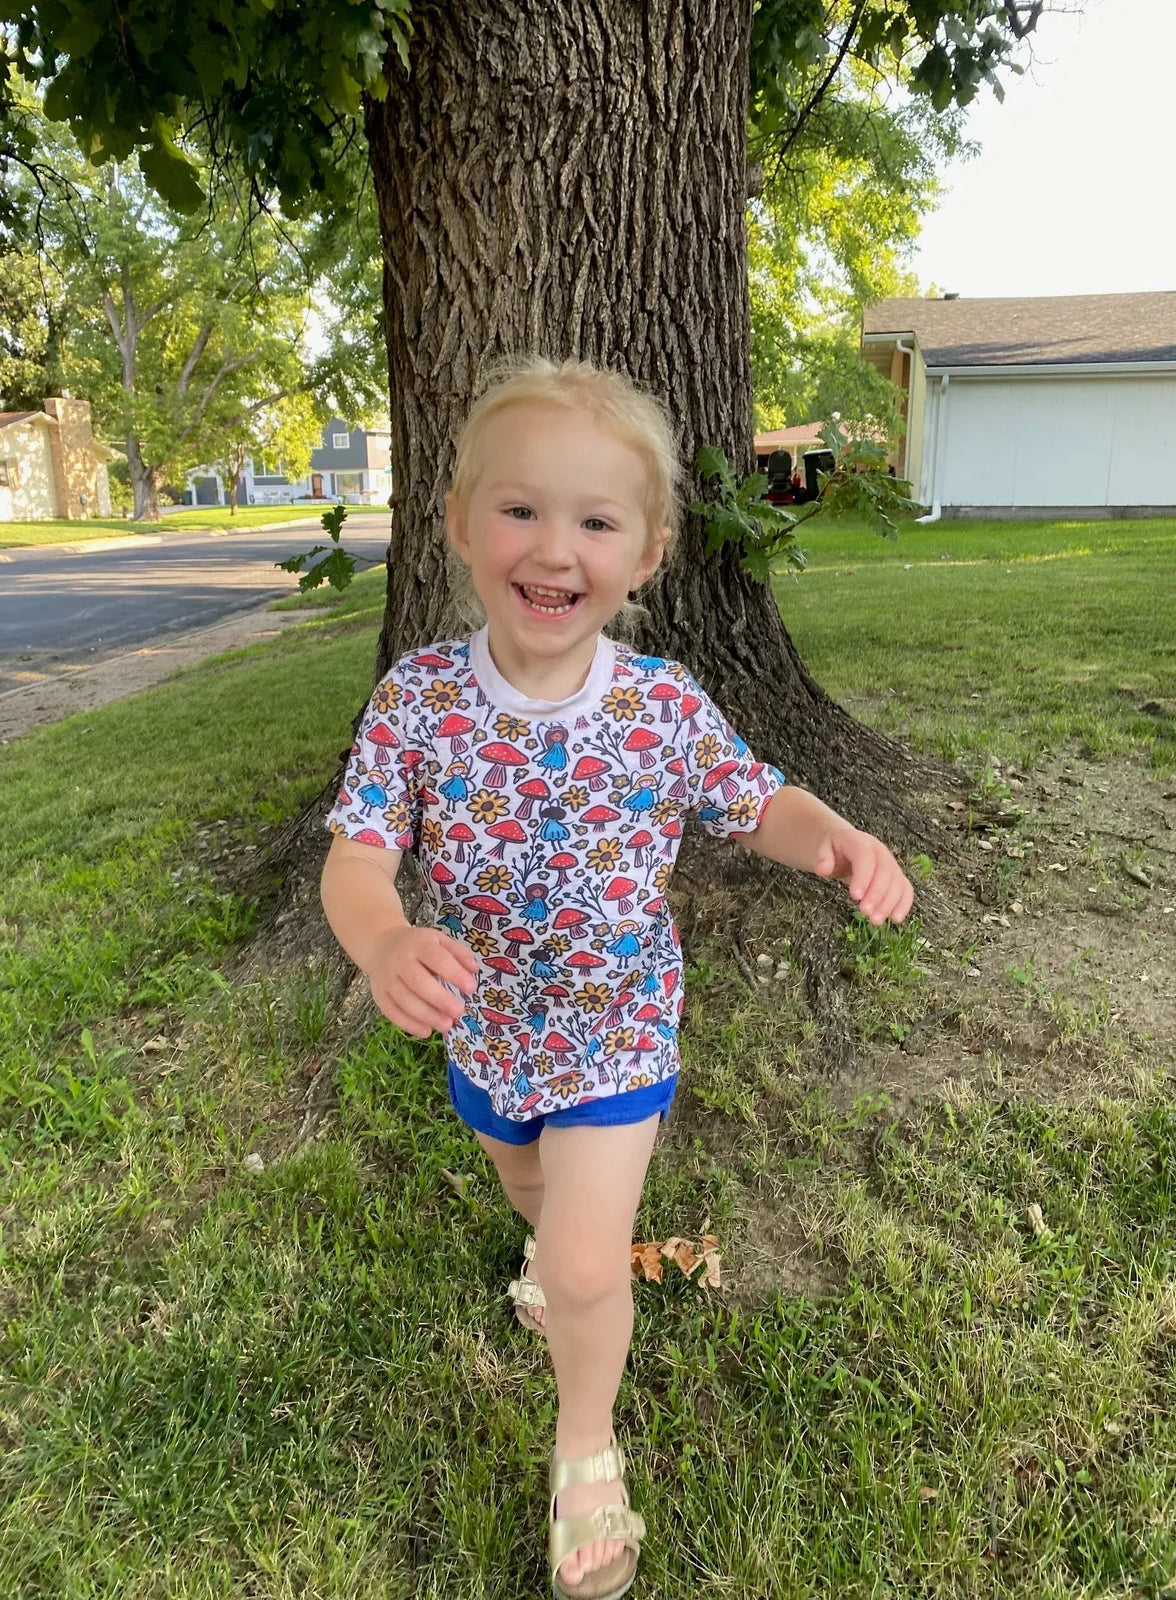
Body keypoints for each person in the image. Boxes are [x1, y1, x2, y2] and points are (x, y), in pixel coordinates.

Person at [319, 355, 914, 1600]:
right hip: (488, 1033)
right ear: (459, 524)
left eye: (596, 520)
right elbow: (358, 859)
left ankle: (583, 1440)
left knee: (588, 1262)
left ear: (644, 555)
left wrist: (836, 838)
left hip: (617, 1028)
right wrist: (381, 940)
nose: (554, 547)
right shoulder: (419, 702)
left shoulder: (663, 706)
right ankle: (558, 1254)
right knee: (528, 1190)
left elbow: (759, 806)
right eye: (522, 508)